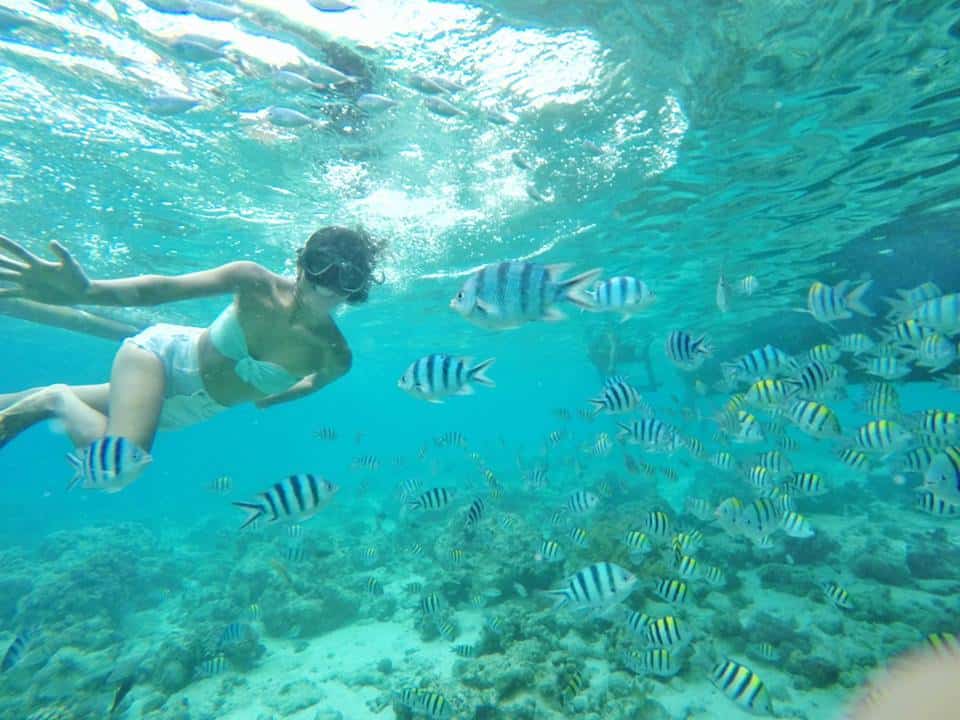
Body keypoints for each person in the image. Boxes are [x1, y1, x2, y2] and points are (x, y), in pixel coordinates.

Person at [0, 227, 383, 485]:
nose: (326, 283)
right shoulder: (254, 281)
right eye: (319, 264)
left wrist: (274, 399)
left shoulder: (336, 354)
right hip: (160, 358)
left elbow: (315, 383)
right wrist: (85, 291)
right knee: (120, 466)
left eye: (345, 277)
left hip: (185, 411)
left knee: (33, 411)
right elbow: (161, 288)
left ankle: (40, 399)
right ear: (302, 260)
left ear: (359, 286)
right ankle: (54, 398)